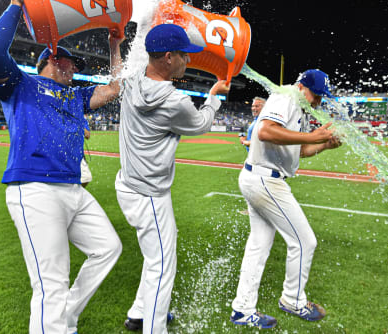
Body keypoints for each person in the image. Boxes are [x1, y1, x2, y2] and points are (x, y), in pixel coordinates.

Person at [0, 0, 125, 334]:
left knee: (108, 248)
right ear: (51, 59)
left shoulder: (76, 96)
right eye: (68, 63)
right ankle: (56, 322)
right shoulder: (21, 84)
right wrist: (16, 3)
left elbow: (114, 89)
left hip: (73, 189)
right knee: (50, 284)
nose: (74, 69)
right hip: (35, 189)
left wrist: (114, 44)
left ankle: (66, 318)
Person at [114, 23, 230, 333]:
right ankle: (153, 328)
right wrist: (214, 96)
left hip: (128, 184)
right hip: (151, 193)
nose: (187, 61)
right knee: (163, 265)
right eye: (183, 55)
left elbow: (133, 55)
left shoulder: (132, 79)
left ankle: (140, 312)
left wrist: (167, 6)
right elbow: (203, 123)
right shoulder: (174, 101)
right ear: (167, 57)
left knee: (157, 255)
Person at [230, 69, 341, 328]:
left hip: (258, 177)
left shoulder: (297, 105)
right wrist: (313, 136)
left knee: (257, 248)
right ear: (303, 87)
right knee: (304, 241)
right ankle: (293, 300)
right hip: (266, 180)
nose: (318, 102)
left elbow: (299, 149)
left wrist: (323, 145)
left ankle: (242, 309)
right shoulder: (286, 96)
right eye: (316, 95)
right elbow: (265, 131)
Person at [81, 120, 92, 188]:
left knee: (86, 178)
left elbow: (87, 135)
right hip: (62, 152)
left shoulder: (81, 119)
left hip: (77, 154)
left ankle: (75, 192)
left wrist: (78, 123)